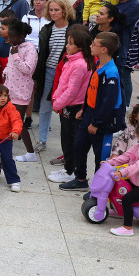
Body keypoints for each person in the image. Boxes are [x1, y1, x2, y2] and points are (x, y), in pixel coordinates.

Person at [60, 32, 126, 190]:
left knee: (101, 157)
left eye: (94, 44)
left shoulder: (111, 73)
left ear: (103, 49)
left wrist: (96, 123)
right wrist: (84, 109)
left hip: (102, 121)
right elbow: (92, 91)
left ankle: (99, 189)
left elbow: (108, 102)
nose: (90, 46)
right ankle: (80, 179)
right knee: (79, 146)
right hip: (89, 115)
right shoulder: (99, 65)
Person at [47, 25, 94, 183]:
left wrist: (57, 104)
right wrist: (56, 98)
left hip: (72, 107)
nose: (67, 46)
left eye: (70, 43)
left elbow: (72, 91)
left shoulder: (79, 64)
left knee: (69, 140)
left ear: (80, 46)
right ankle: (69, 167)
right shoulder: (73, 60)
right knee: (66, 138)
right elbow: (62, 84)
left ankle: (70, 171)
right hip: (66, 105)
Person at [33, 0, 75, 154]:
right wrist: (38, 76)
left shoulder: (73, 29)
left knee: (67, 109)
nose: (53, 12)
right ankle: (42, 140)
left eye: (57, 9)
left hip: (68, 73)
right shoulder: (47, 29)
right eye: (51, 10)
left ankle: (69, 145)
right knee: (45, 107)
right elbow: (42, 55)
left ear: (65, 10)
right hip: (49, 72)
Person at [1, 20, 38, 162]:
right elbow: (10, 65)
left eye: (12, 37)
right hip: (9, 90)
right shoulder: (13, 47)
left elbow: (28, 69)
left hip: (21, 92)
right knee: (6, 120)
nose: (9, 40)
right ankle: (4, 147)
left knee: (18, 123)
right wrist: (5, 72)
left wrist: (16, 56)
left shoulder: (30, 49)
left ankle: (30, 153)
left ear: (21, 36)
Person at [113, 0, 139, 102]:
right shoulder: (115, 1)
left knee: (123, 79)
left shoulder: (134, 5)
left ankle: (125, 106)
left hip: (121, 48)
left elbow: (119, 25)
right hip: (107, 46)